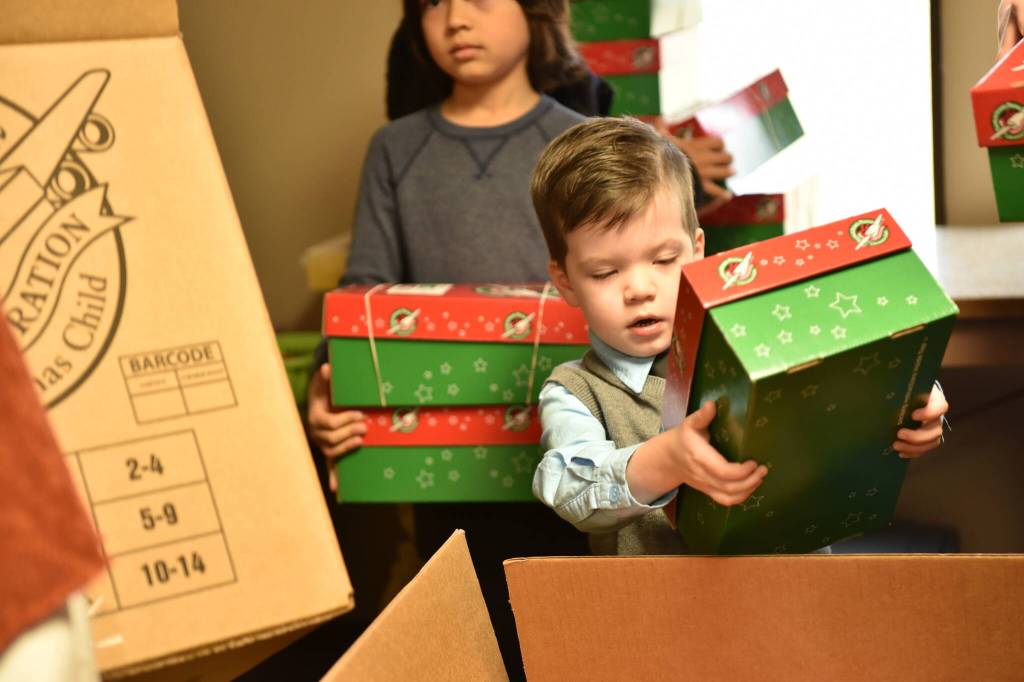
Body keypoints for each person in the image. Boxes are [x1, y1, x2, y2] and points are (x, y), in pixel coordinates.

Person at [305, 1, 594, 676]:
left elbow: (624, 283)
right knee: (467, 644)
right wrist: (329, 388)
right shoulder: (396, 149)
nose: (456, 19)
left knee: (567, 644)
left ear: (537, 12)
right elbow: (362, 293)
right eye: (434, 4)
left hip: (572, 454)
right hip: (441, 471)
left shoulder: (583, 141)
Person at [530, 116, 951, 555]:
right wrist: (666, 460)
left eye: (663, 260)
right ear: (565, 282)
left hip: (798, 595)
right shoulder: (576, 392)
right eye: (605, 272)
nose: (639, 290)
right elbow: (567, 487)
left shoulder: (756, 332)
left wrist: (915, 402)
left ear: (697, 250)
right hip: (662, 615)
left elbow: (845, 370)